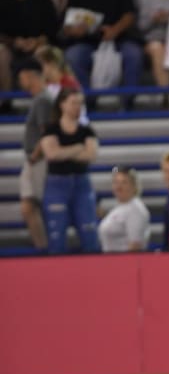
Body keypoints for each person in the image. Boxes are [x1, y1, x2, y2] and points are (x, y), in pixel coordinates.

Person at [61, 0, 142, 111]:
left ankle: (128, 101)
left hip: (119, 39)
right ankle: (87, 101)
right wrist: (75, 30)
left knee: (133, 54)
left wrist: (115, 30)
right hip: (88, 41)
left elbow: (129, 15)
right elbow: (67, 25)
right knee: (73, 56)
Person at [40, 87, 99, 254]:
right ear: (62, 105)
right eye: (73, 103)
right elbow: (51, 154)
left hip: (81, 183)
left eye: (80, 103)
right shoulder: (51, 129)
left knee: (89, 232)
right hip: (57, 184)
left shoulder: (87, 130)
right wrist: (77, 148)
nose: (77, 107)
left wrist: (63, 151)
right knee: (56, 234)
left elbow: (91, 155)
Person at [0, 0, 59, 109]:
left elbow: (53, 30)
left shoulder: (44, 1)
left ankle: (53, 102)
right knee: (1, 53)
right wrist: (14, 42)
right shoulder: (2, 4)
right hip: (11, 48)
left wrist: (38, 41)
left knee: (48, 52)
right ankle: (6, 101)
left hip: (39, 47)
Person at [17, 58, 51, 250]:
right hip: (35, 159)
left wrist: (35, 156)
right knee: (29, 206)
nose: (20, 81)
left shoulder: (42, 100)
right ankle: (42, 247)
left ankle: (43, 248)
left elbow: (47, 132)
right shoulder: (40, 99)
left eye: (21, 77)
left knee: (30, 206)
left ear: (29, 76)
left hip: (38, 160)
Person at [98, 166, 150, 252]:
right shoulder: (121, 207)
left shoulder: (135, 210)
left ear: (134, 185)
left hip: (123, 259)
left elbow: (135, 245)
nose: (118, 187)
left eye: (124, 182)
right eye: (116, 182)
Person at [34, 45, 89, 125]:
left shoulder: (70, 84)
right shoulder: (42, 85)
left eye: (40, 64)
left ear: (51, 63)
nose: (36, 69)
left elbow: (80, 113)